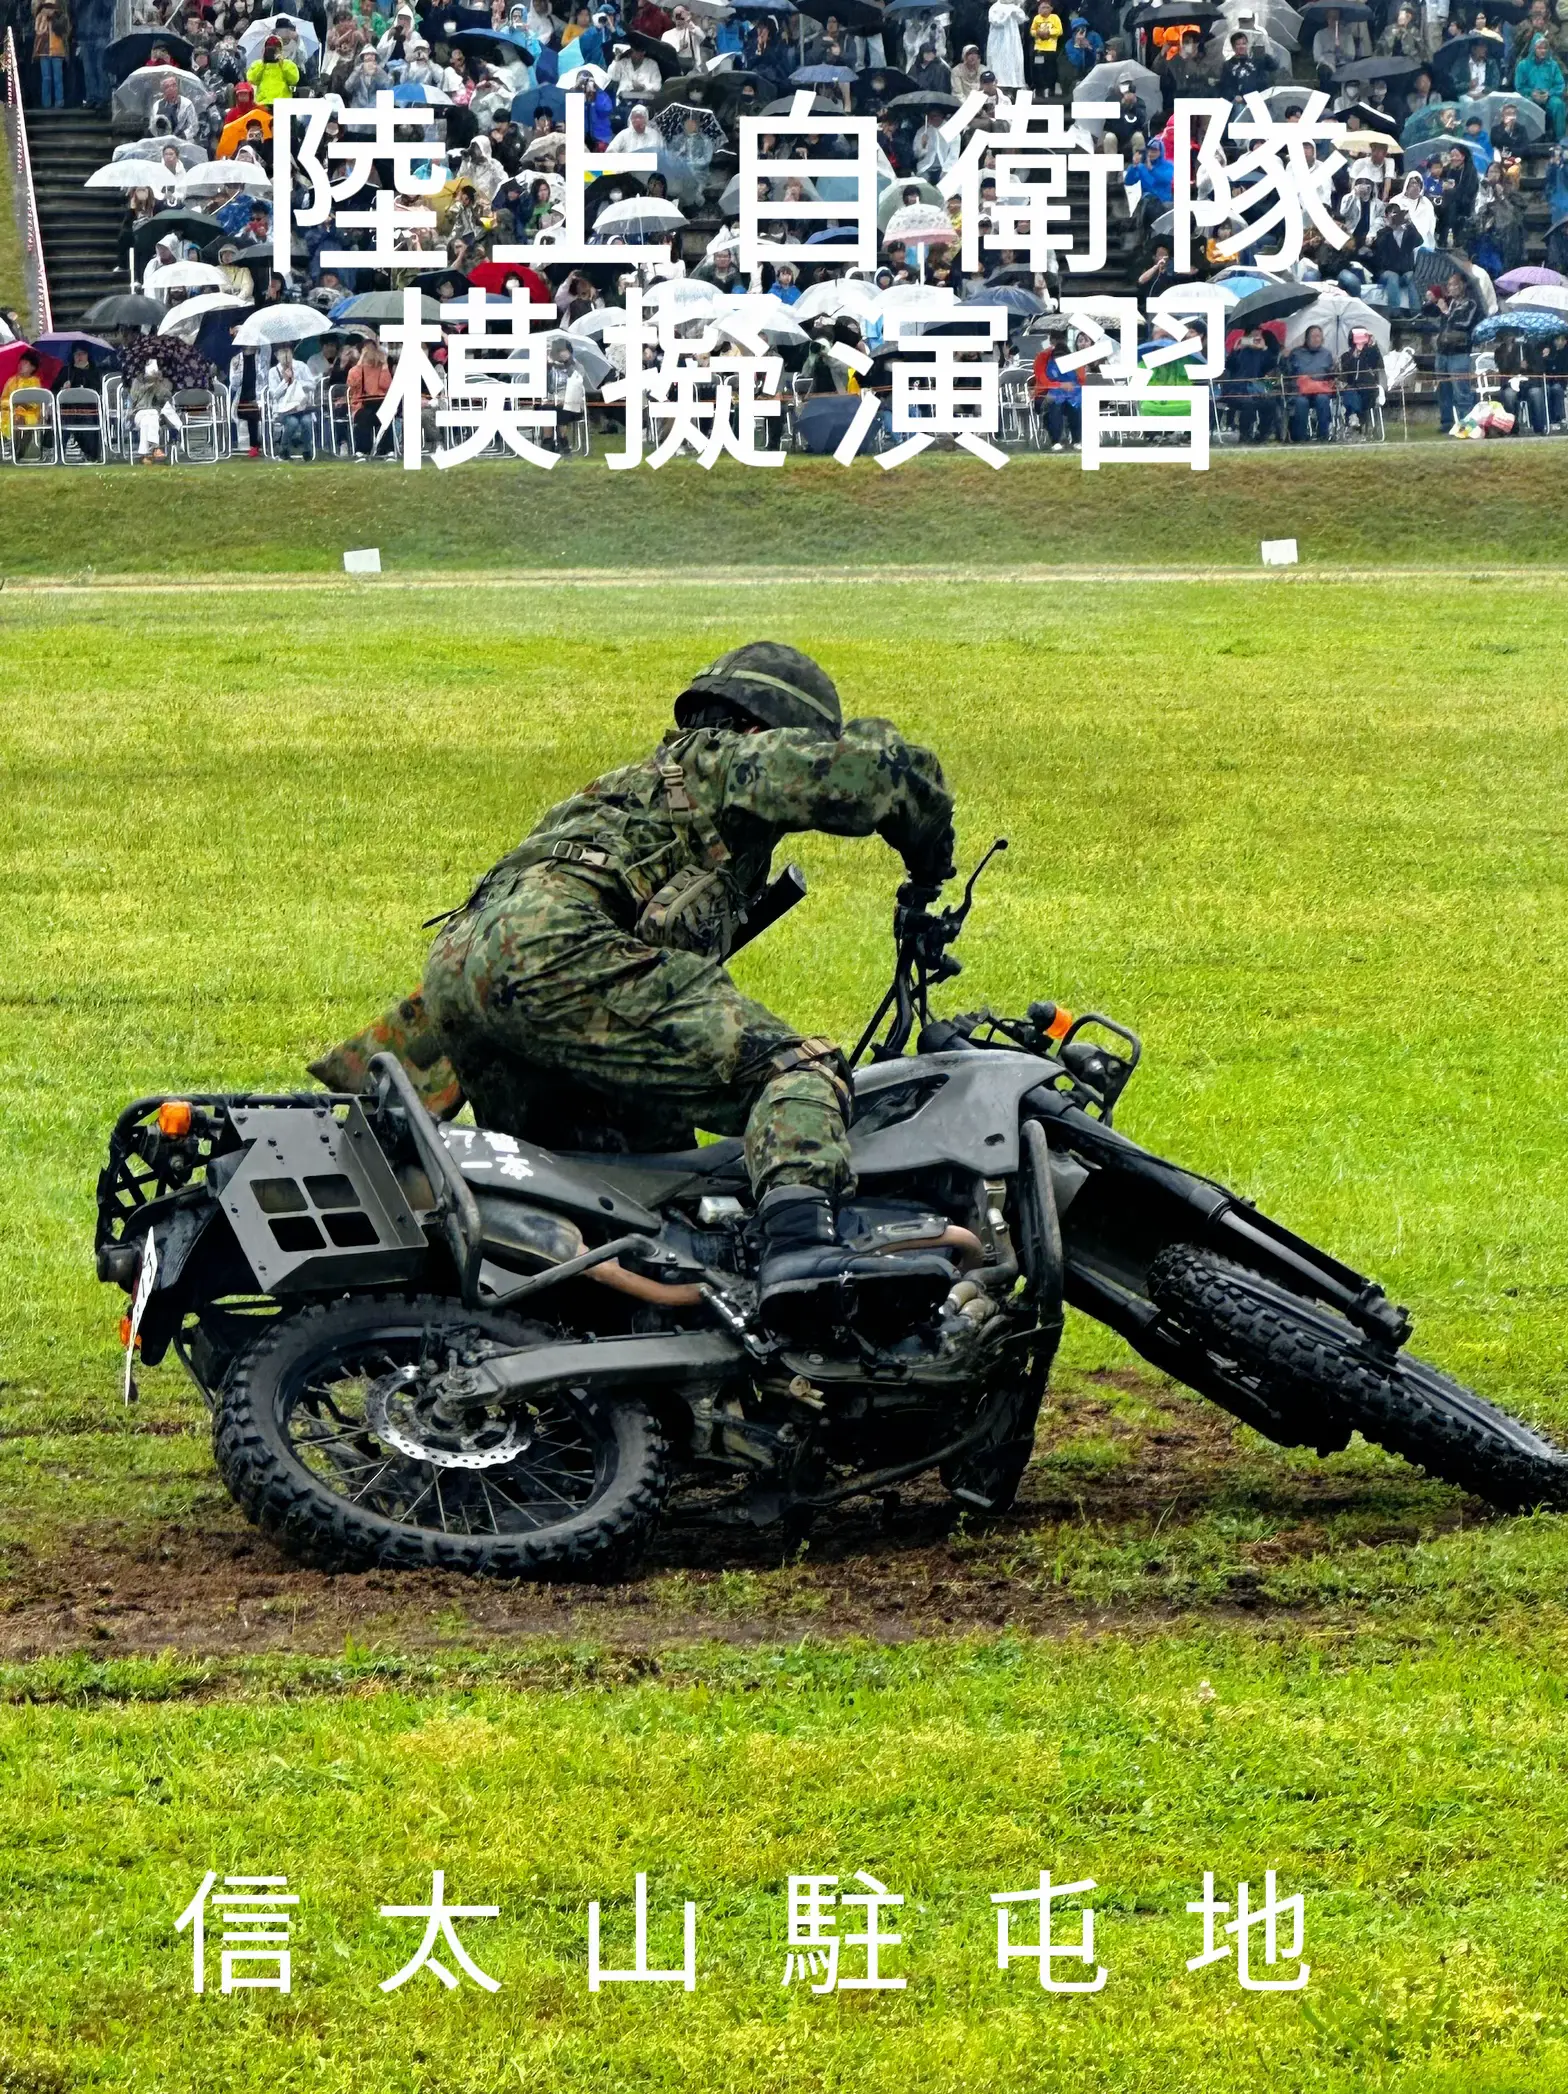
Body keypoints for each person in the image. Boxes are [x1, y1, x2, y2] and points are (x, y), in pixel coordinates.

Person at [314, 644, 958, 1338]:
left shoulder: (624, 793)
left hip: (461, 973)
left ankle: (585, 1366)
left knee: (628, 1186)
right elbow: (875, 778)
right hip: (557, 955)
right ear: (761, 729)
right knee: (792, 1068)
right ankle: (805, 1258)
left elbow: (559, 947)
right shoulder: (720, 760)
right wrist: (930, 860)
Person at [1427, 268, 1479, 431]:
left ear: (1463, 285)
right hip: (1443, 352)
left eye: (1454, 285)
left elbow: (1462, 324)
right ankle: (1447, 422)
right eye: (1449, 285)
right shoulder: (1447, 301)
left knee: (1461, 391)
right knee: (1444, 390)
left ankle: (1466, 425)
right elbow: (1427, 312)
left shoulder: (1471, 304)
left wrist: (1445, 311)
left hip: (1459, 353)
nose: (1450, 288)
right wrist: (1431, 301)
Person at [1221, 323, 1281, 442]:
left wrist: (1265, 349)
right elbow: (1230, 366)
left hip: (1256, 387)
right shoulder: (1240, 351)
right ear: (1247, 336)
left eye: (1259, 334)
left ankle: (1262, 433)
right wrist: (1236, 350)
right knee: (1249, 403)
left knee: (1270, 403)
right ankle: (1245, 434)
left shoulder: (1262, 353)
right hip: (1236, 389)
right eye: (1254, 334)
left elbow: (1270, 367)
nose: (1257, 337)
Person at [52, 342, 106, 459]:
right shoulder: (66, 371)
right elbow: (53, 391)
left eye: (82, 354)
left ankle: (91, 453)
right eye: (76, 354)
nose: (79, 357)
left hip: (88, 410)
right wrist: (62, 389)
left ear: (88, 355)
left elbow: (99, 390)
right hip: (67, 410)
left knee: (87, 423)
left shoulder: (95, 372)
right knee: (62, 420)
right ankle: (58, 453)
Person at [1284, 323, 1336, 441]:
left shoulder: (1326, 354)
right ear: (1306, 338)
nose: (1316, 339)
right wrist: (1284, 359)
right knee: (1301, 403)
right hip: (1301, 391)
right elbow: (1288, 372)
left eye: (1319, 336)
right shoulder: (1296, 353)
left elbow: (1331, 375)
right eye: (1313, 336)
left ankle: (1323, 435)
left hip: (1320, 390)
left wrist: (1335, 369)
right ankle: (1300, 437)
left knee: (1322, 400)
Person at [266, 344, 316, 458]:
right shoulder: (273, 372)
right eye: (281, 353)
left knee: (306, 422)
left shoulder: (301, 366)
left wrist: (295, 381)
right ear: (276, 355)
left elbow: (312, 385)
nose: (285, 356)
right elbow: (274, 394)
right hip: (284, 409)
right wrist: (285, 381)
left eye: (287, 352)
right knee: (292, 423)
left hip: (301, 406)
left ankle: (307, 450)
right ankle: (284, 449)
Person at [347, 336, 395, 455]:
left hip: (379, 402)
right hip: (362, 405)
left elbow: (386, 385)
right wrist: (362, 359)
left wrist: (384, 365)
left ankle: (386, 449)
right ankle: (363, 450)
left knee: (385, 415)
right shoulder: (357, 369)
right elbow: (352, 383)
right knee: (364, 416)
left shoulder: (381, 368)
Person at [1031, 334, 1081, 446]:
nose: (1059, 341)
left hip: (1069, 395)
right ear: (1051, 340)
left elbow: (1078, 381)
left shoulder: (1072, 359)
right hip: (1045, 394)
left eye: (1062, 338)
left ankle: (1077, 440)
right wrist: (1060, 385)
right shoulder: (1042, 357)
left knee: (1076, 407)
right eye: (1057, 339)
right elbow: (1044, 381)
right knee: (1054, 405)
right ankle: (1056, 441)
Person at [129, 357, 182, 460]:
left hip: (155, 415)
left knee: (147, 421)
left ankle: (145, 455)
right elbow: (134, 397)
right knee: (150, 415)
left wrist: (158, 385)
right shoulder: (137, 381)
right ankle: (155, 448)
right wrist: (147, 386)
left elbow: (167, 396)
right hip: (138, 413)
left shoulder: (160, 382)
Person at [1515, 34, 1567, 136]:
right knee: (1527, 104)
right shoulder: (1523, 65)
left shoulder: (1553, 65)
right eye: (1539, 48)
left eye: (1545, 48)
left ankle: (1560, 140)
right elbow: (1519, 86)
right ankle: (1529, 138)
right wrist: (1532, 93)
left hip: (1549, 96)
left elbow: (1560, 84)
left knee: (1558, 104)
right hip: (1530, 96)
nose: (1543, 51)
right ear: (1533, 49)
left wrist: (1549, 93)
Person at [1, 351, 46, 458]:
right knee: (11, 418)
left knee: (21, 419)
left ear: (32, 368)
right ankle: (8, 446)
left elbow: (35, 402)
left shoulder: (35, 381)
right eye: (20, 363)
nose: (21, 366)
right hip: (9, 411)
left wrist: (22, 403)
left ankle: (18, 451)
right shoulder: (11, 380)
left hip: (29, 413)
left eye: (25, 363)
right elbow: (3, 399)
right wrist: (12, 403)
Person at [1337, 326, 1381, 433]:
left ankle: (1355, 416)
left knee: (1362, 393)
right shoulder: (1346, 356)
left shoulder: (1371, 353)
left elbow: (1377, 365)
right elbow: (1345, 374)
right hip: (1352, 388)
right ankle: (1354, 416)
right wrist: (1354, 357)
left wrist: (1373, 346)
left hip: (1368, 389)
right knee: (1350, 392)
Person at [32, 0, 71, 107]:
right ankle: (46, 104)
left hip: (58, 50)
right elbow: (38, 30)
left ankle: (59, 102)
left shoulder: (61, 16)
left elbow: (64, 31)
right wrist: (43, 15)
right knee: (46, 78)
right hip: (43, 51)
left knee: (58, 78)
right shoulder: (40, 16)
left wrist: (54, 17)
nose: (49, 9)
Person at [1027, 3, 1061, 90]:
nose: (1045, 9)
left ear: (1051, 9)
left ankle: (1051, 89)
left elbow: (1060, 31)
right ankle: (1039, 89)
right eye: (1043, 7)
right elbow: (1032, 31)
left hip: (1051, 49)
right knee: (1038, 70)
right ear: (1038, 9)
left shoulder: (1055, 18)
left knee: (1051, 70)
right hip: (1039, 49)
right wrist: (1037, 33)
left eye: (1047, 7)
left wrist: (1049, 32)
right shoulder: (1036, 18)